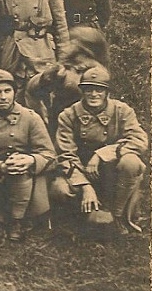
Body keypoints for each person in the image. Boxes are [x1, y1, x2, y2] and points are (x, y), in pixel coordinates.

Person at [51, 66, 147, 235]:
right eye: (89, 90)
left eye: (99, 90)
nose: (94, 94)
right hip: (80, 171)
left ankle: (118, 215)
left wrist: (101, 155)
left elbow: (139, 140)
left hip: (112, 173)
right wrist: (86, 186)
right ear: (82, 91)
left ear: (107, 92)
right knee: (59, 189)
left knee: (132, 162)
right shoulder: (68, 115)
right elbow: (66, 155)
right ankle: (80, 215)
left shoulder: (122, 111)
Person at [0, 70, 56, 240]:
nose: (3, 97)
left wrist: (30, 160)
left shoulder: (30, 117)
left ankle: (17, 220)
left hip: (24, 179)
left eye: (7, 91)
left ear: (14, 92)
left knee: (20, 171)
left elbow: (49, 154)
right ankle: (1, 208)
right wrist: (0, 167)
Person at [25, 26, 108, 136]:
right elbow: (33, 89)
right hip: (58, 121)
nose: (67, 47)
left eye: (71, 43)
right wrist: (44, 79)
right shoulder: (66, 66)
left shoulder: (96, 72)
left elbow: (85, 93)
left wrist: (63, 78)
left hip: (84, 127)